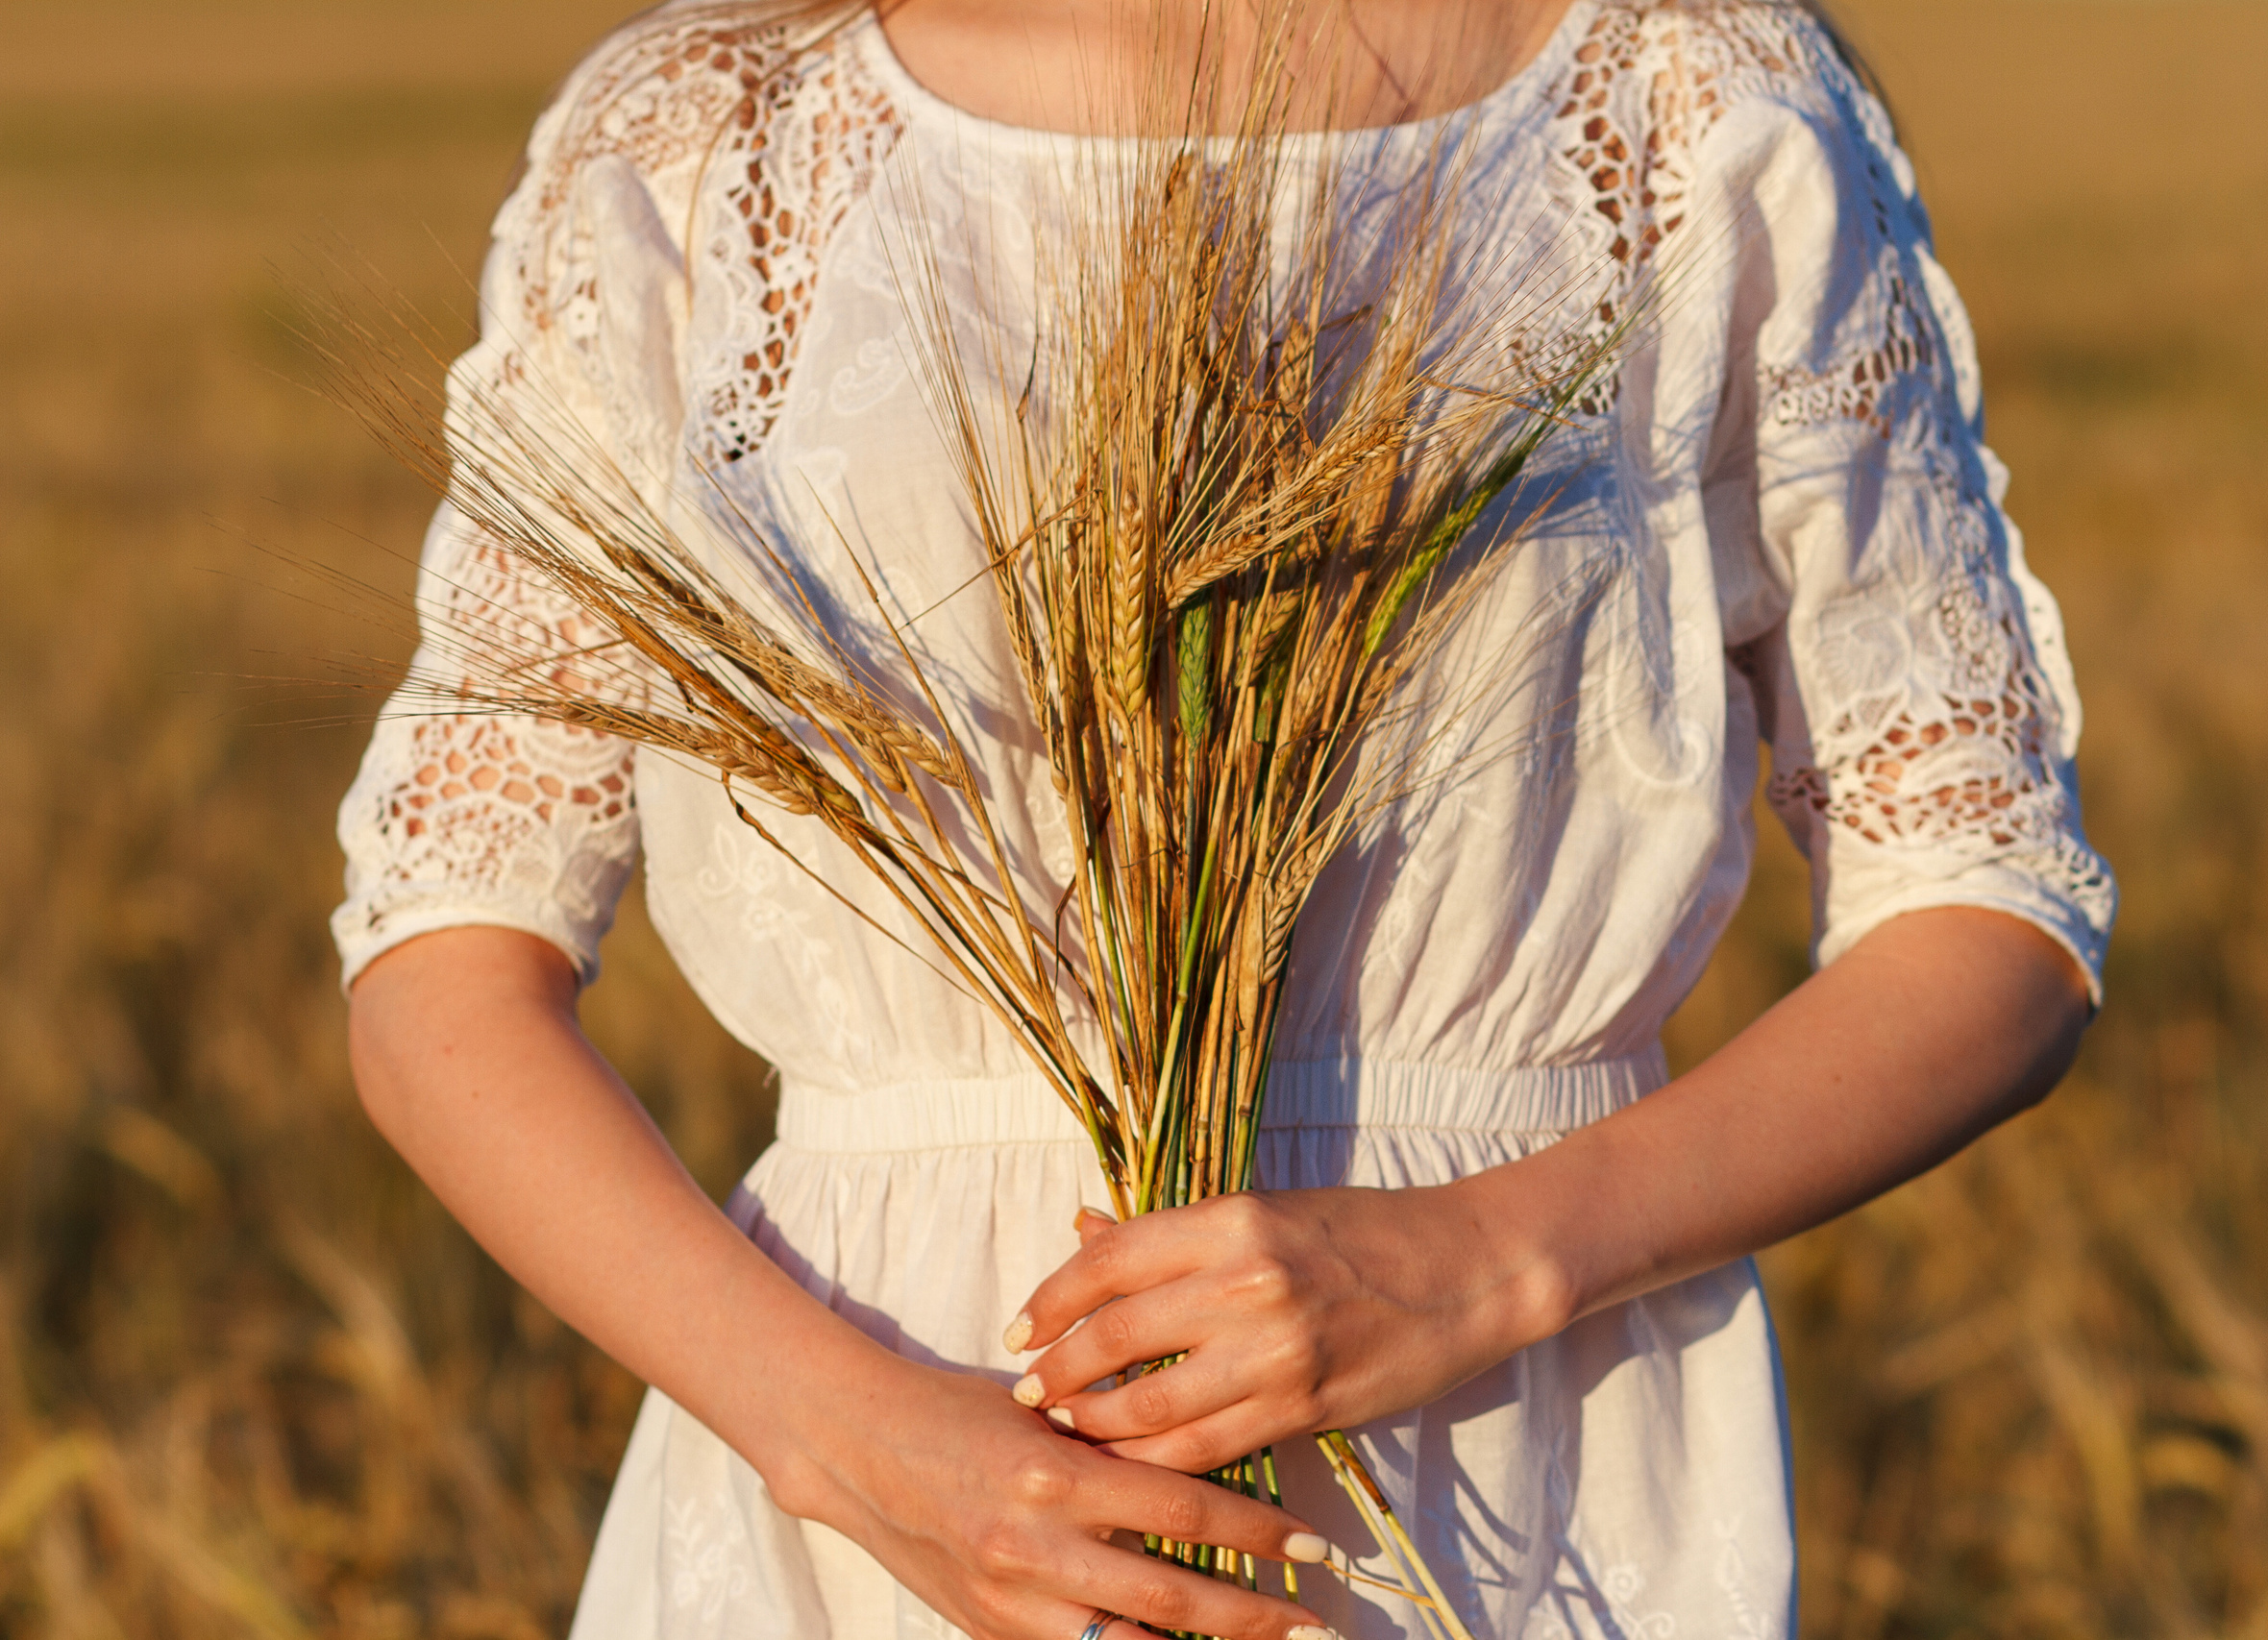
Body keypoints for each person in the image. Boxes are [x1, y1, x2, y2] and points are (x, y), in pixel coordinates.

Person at [334, 0, 2114, 1635]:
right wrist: (844, 1439)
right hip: (874, 1485)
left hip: (1512, 1447)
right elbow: (443, 958)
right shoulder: (697, 136)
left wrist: (1489, 1260)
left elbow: (1989, 898)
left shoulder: (1693, 98)